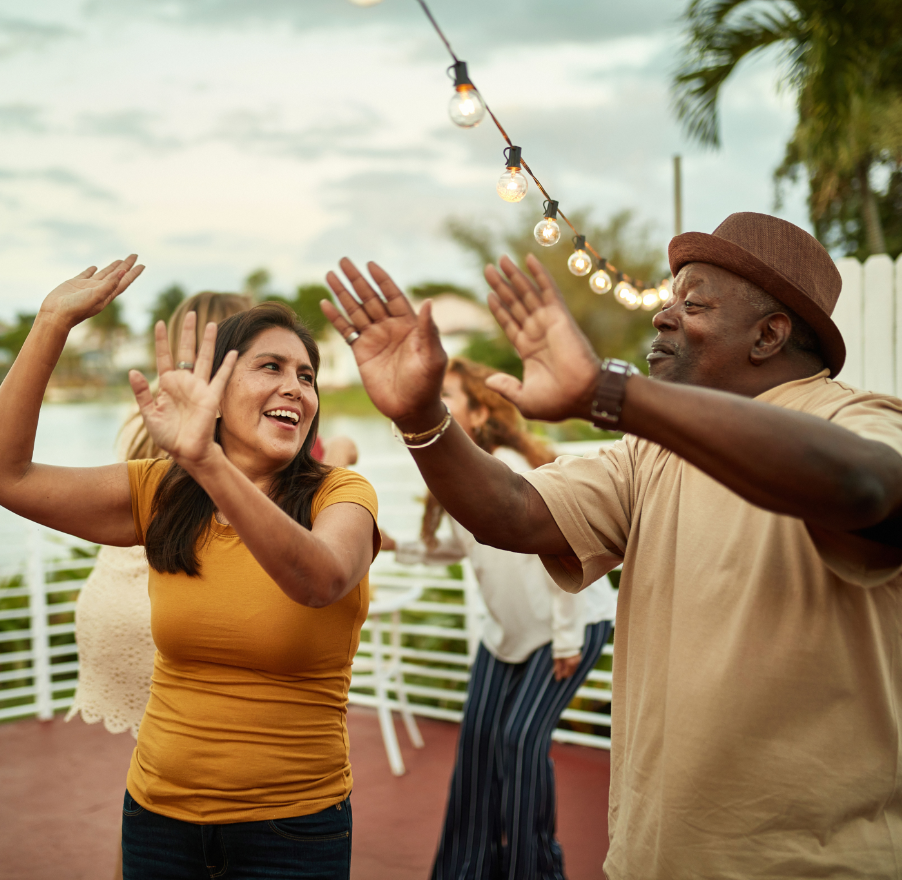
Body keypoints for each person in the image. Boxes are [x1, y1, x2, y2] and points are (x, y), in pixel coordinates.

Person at [319, 213, 902, 879]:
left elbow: (862, 485)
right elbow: (510, 511)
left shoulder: (860, 419)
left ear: (769, 335)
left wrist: (610, 393)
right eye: (668, 298)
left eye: (695, 303)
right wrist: (421, 417)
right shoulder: (650, 452)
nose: (663, 317)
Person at [0, 256, 380, 880]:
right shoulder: (164, 491)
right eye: (271, 367)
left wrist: (207, 461)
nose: (297, 387)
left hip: (292, 828)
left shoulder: (341, 493)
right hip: (158, 817)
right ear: (213, 389)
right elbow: (1, 475)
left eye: (307, 374)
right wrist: (51, 323)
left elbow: (319, 578)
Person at [381, 356, 616, 880]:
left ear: (480, 411)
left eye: (446, 394)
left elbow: (565, 550)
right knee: (478, 745)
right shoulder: (457, 471)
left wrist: (565, 639)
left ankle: (534, 870)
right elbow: (455, 546)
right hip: (505, 634)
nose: (430, 400)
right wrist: (399, 547)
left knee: (519, 740)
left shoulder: (511, 464)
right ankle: (467, 870)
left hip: (569, 624)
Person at [65, 291, 250, 880]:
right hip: (162, 613)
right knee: (223, 790)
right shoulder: (223, 432)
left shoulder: (141, 420)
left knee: (153, 782)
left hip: (108, 605)